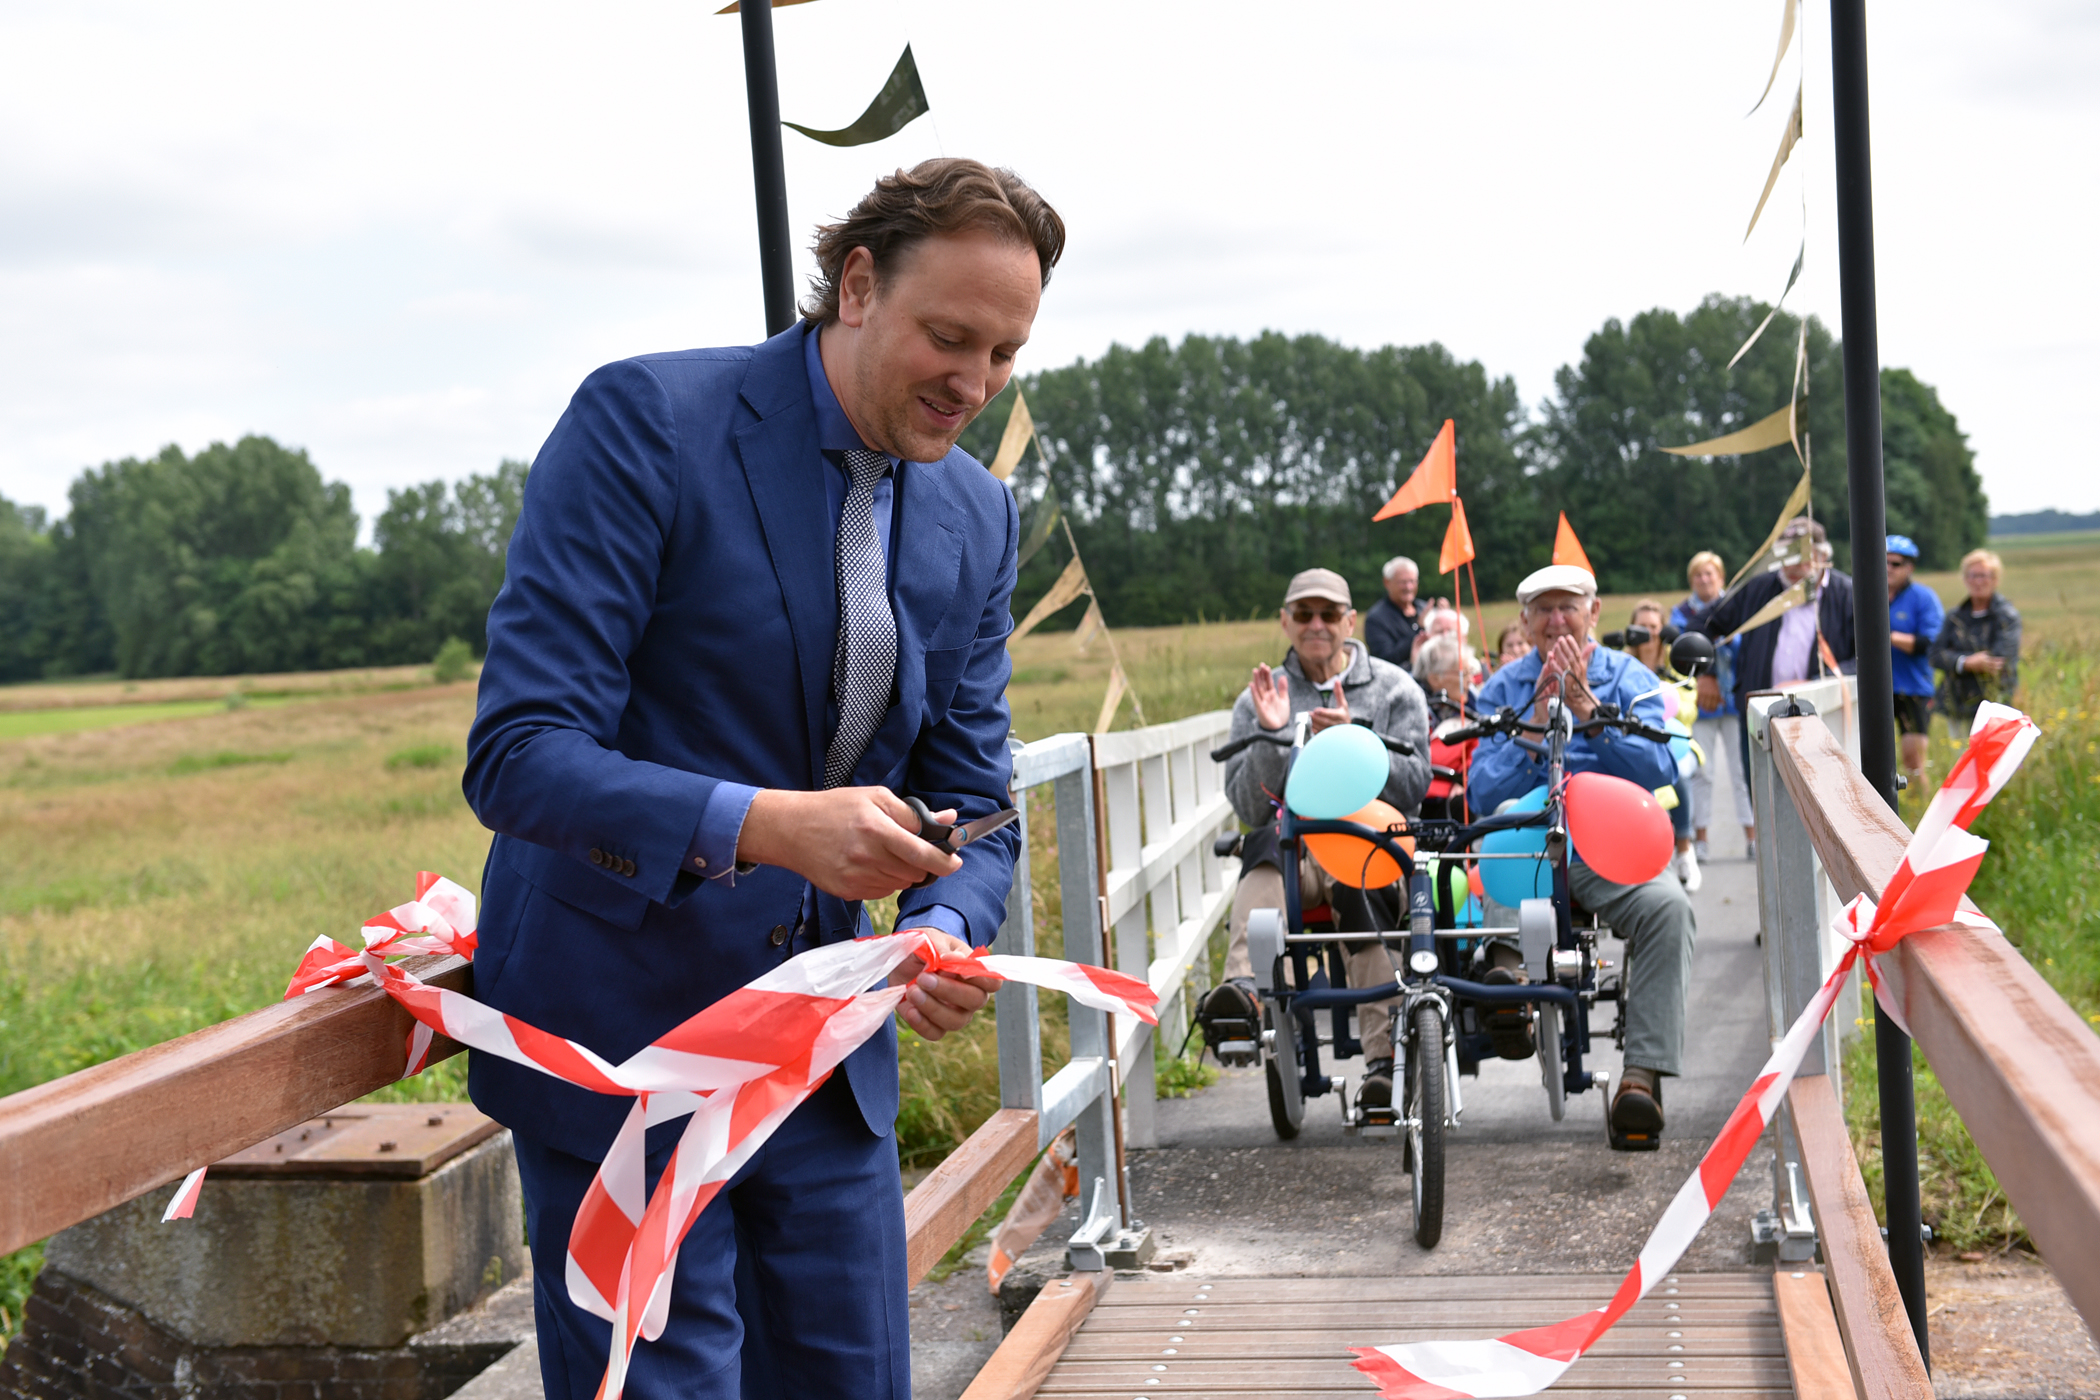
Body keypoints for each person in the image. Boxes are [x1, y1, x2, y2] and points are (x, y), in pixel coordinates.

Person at [462, 159, 1056, 1400]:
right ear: (854, 286)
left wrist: (942, 926)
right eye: (950, 337)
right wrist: (771, 827)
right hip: (624, 1057)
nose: (976, 383)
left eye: (1005, 352)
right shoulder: (645, 423)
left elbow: (978, 793)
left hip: (830, 1075)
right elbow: (519, 751)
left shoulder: (977, 517)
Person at [1468, 564, 1695, 1148]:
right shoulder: (1502, 687)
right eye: (1543, 609)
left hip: (1608, 841)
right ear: (1524, 621)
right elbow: (1481, 793)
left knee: (1669, 908)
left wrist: (1590, 714)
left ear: (1594, 613)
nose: (1556, 619)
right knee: (1508, 848)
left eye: (1568, 607)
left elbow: (1661, 769)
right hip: (1528, 840)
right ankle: (1509, 991)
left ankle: (1640, 1078)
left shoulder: (1631, 678)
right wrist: (1537, 726)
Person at [1201, 568, 1432, 1110]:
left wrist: (1354, 743)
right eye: (1303, 614)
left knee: (1358, 877)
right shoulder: (1255, 699)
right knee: (1261, 843)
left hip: (1367, 844)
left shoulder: (1396, 687)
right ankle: (1244, 994)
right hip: (1294, 853)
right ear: (1286, 621)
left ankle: (1383, 1060)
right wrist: (1276, 735)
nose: (1317, 625)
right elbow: (1252, 807)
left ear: (1351, 622)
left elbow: (1415, 786)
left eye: (1329, 614)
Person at [1702, 519, 1857, 804]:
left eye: (1805, 552)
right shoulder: (1758, 589)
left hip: (1821, 717)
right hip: (1761, 713)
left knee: (1821, 803)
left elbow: (1866, 660)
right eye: (1790, 553)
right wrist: (1707, 673)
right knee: (1764, 801)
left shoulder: (1848, 595)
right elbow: (1704, 623)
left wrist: (1816, 683)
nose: (1798, 562)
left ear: (1823, 555)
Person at [1670, 552, 1753, 864]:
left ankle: (1752, 837)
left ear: (1721, 577)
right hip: (1700, 705)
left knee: (1741, 771)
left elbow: (1745, 643)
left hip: (1734, 700)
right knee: (1701, 772)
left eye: (1710, 574)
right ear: (1691, 580)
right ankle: (1699, 838)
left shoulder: (1737, 607)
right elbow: (1681, 652)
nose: (1704, 580)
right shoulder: (1681, 614)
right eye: (1698, 575)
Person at [1623, 599, 1701, 893]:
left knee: (1675, 773)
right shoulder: (1621, 665)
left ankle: (1685, 849)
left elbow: (1689, 711)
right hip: (1633, 747)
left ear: (1664, 630)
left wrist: (1662, 694)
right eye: (1641, 627)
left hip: (1677, 745)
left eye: (1654, 627)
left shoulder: (1677, 666)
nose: (1649, 633)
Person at [1932, 548, 2022, 736]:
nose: (1978, 582)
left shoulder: (2006, 616)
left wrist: (1956, 660)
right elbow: (1935, 655)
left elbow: (1999, 660)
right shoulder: (1955, 616)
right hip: (1957, 703)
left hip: (1994, 704)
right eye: (1972, 576)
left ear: (1995, 579)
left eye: (1983, 576)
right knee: (1962, 760)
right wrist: (1967, 662)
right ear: (1965, 579)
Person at [1884, 535, 1945, 789]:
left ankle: (1921, 813)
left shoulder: (1923, 598)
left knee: (1913, 761)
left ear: (1910, 568)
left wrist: (1887, 637)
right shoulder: (1866, 595)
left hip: (1913, 688)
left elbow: (1931, 643)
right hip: (1878, 690)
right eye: (1883, 562)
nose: (1888, 569)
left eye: (1895, 564)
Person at [1363, 555, 1425, 667]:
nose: (1408, 587)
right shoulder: (1376, 619)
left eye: (1412, 581)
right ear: (1387, 583)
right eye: (1403, 582)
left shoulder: (1424, 608)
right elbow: (1386, 659)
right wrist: (1417, 631)